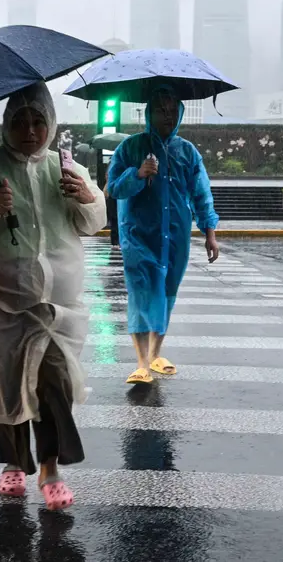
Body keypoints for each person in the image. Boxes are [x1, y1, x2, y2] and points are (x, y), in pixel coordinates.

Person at [0, 82, 106, 511]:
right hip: (2, 301)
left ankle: (50, 466)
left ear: (51, 124)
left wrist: (86, 197)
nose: (29, 130)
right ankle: (14, 463)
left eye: (38, 121)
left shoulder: (68, 167)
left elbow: (93, 223)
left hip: (59, 306)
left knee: (55, 384)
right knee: (7, 385)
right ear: (5, 124)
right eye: (19, 121)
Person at [107, 89, 220, 386]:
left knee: (167, 293)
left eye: (172, 110)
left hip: (176, 236)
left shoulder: (187, 152)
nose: (167, 116)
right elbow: (114, 188)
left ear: (180, 114)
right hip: (137, 234)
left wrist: (209, 233)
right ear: (149, 114)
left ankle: (156, 353)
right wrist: (138, 173)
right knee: (143, 291)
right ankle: (141, 362)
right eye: (160, 110)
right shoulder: (131, 148)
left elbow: (201, 194)